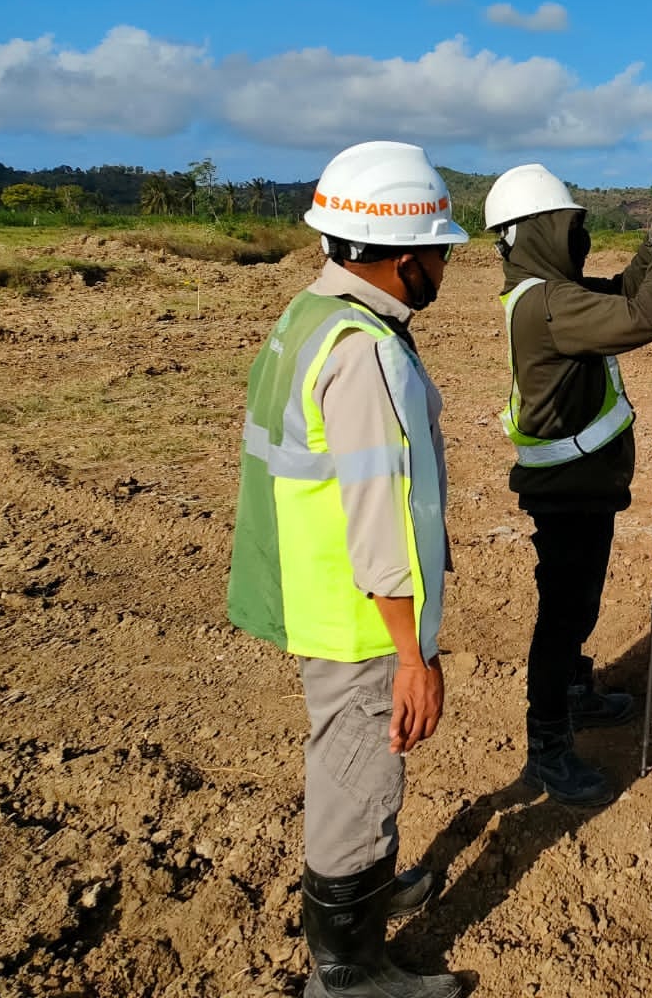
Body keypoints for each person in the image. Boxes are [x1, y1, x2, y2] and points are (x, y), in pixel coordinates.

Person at [227, 141, 467, 997]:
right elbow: (379, 510)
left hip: (316, 589)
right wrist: (411, 655)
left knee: (347, 763)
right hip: (360, 612)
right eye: (440, 250)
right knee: (361, 772)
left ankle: (361, 895)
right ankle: (348, 968)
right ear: (403, 258)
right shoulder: (364, 351)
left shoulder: (309, 316)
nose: (445, 263)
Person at [486, 163, 652, 807]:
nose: (578, 236)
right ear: (539, 234)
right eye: (568, 225)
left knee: (576, 605)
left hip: (579, 485)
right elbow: (643, 315)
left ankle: (575, 693)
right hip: (567, 489)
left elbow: (626, 292)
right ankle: (547, 745)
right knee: (562, 616)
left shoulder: (551, 294)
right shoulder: (548, 305)